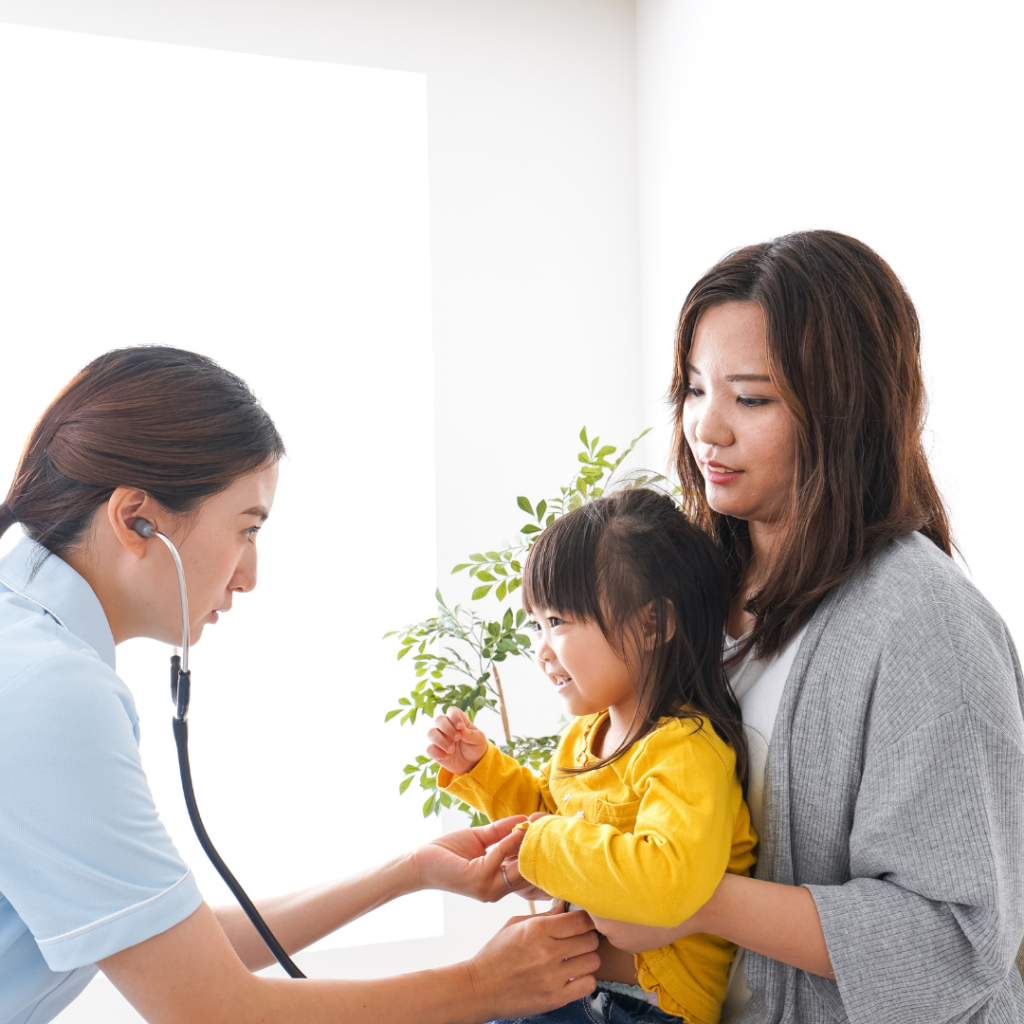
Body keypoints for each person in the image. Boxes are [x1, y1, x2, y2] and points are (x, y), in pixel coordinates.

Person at [0, 346, 599, 1024]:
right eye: (246, 530)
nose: (249, 574)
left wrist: (408, 872)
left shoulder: (30, 653)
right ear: (138, 519)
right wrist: (483, 988)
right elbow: (211, 1008)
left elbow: (182, 951)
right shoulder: (48, 692)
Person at [583, 230, 1024, 1023]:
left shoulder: (928, 629)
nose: (705, 429)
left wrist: (688, 897)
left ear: (845, 413)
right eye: (692, 388)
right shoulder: (688, 587)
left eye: (750, 398)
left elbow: (958, 944)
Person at [427, 488, 758, 1024]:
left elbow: (666, 880)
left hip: (645, 1008)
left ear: (652, 625)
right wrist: (482, 770)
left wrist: (542, 841)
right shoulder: (585, 736)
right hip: (569, 991)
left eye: (557, 622)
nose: (542, 648)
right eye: (536, 625)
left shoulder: (686, 750)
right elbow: (548, 814)